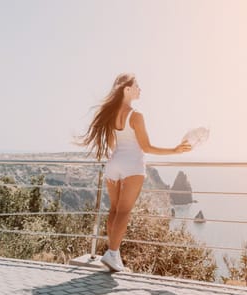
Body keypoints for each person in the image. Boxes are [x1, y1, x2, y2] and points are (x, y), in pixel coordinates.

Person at [82, 73, 192, 272]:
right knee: (124, 211)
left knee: (114, 210)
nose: (140, 89)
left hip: (114, 164)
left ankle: (113, 254)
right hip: (132, 166)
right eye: (137, 86)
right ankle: (113, 253)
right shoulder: (136, 115)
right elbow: (147, 147)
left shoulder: (111, 113)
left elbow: (113, 144)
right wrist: (174, 150)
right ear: (127, 90)